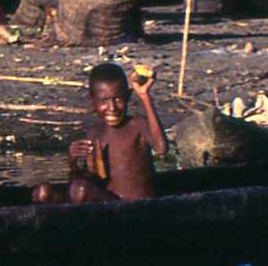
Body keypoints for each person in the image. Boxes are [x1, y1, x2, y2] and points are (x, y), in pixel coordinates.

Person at [33, 63, 168, 203]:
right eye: (104, 101)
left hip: (135, 205)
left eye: (118, 99)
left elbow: (161, 148)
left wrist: (144, 96)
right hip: (107, 202)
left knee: (81, 190)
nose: (112, 108)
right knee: (43, 192)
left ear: (128, 97)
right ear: (92, 100)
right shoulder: (95, 132)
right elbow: (91, 177)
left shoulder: (137, 125)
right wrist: (73, 162)